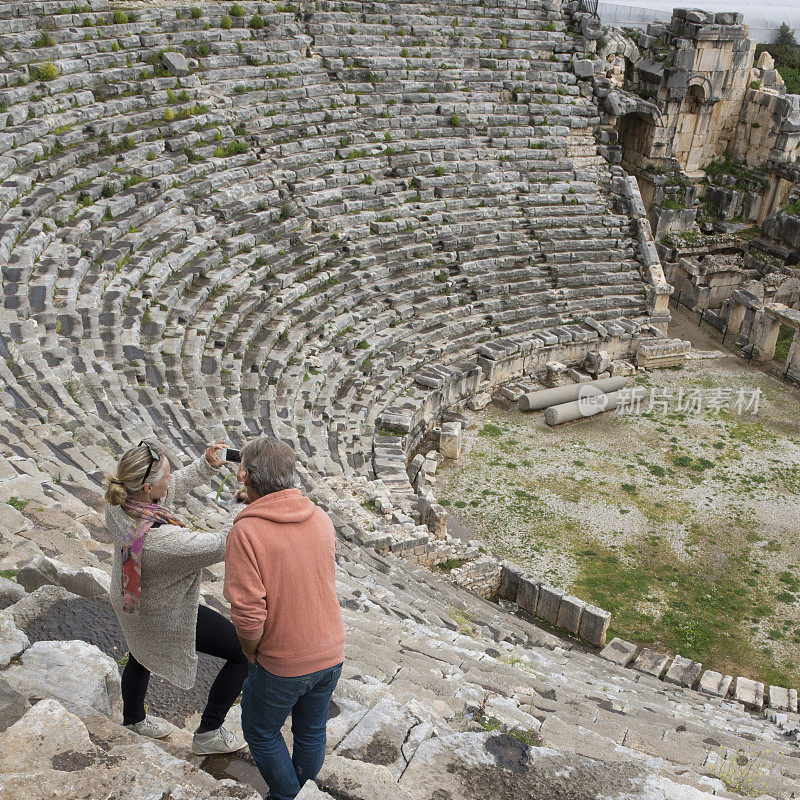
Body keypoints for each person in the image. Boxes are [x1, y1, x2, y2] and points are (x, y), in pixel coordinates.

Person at [105, 439, 248, 755]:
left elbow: (167, 490)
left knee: (140, 651)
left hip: (131, 594)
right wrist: (248, 503)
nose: (171, 480)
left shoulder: (120, 502)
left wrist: (206, 465)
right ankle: (208, 733)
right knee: (242, 652)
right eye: (166, 475)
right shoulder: (164, 543)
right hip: (159, 609)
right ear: (147, 489)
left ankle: (133, 721)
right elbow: (229, 543)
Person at [224, 436, 346, 800]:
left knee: (260, 731)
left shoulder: (246, 531)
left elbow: (248, 617)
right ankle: (302, 791)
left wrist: (251, 652)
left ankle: (289, 796)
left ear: (244, 475)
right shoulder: (320, 517)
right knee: (311, 731)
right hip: (330, 649)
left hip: (283, 661)